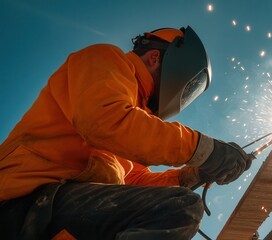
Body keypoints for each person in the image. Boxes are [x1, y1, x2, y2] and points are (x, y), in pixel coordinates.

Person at [0, 26, 252, 240]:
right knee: (178, 208)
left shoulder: (135, 121)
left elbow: (137, 180)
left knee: (170, 205)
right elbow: (104, 121)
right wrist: (205, 150)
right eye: (189, 86)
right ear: (155, 58)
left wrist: (193, 174)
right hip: (21, 201)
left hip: (60, 207)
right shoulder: (106, 60)